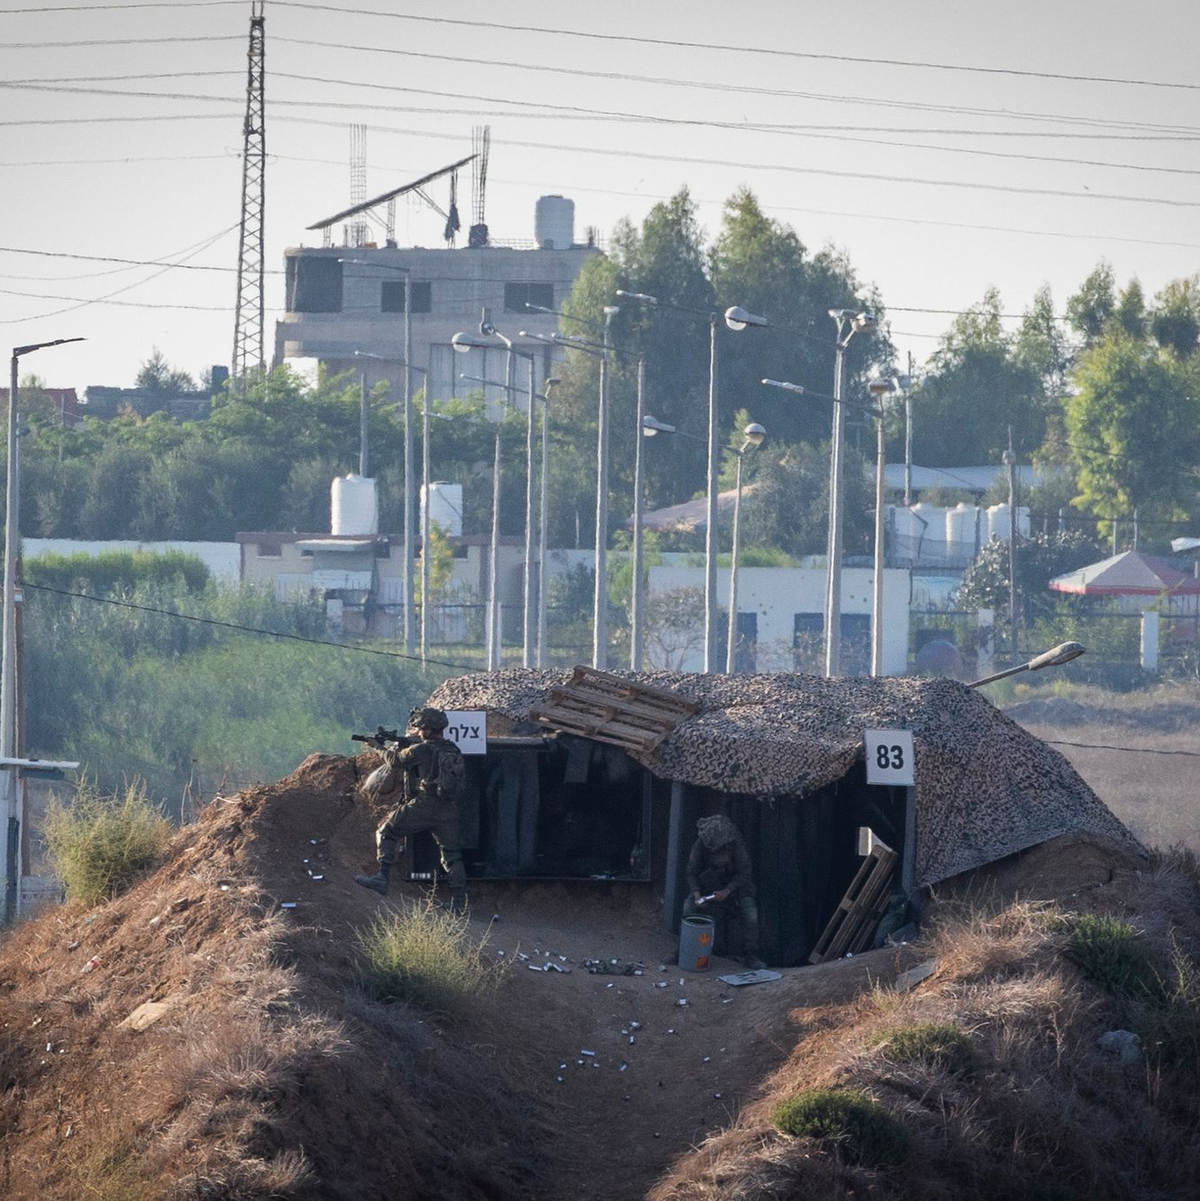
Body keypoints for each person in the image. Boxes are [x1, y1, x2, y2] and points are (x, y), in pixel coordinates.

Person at [355, 707, 468, 914]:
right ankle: (458, 903)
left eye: (421, 728)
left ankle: (382, 878)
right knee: (452, 855)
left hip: (425, 805)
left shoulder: (422, 750)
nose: (419, 731)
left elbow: (395, 761)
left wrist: (378, 747)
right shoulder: (453, 749)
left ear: (428, 729)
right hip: (449, 809)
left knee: (387, 831)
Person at [683, 814, 766, 970]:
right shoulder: (701, 844)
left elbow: (745, 873)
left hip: (736, 886)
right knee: (688, 908)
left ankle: (751, 955)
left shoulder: (735, 844)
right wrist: (696, 893)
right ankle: (685, 949)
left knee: (751, 914)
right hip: (709, 885)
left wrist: (727, 890)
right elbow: (691, 872)